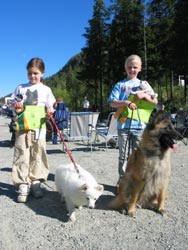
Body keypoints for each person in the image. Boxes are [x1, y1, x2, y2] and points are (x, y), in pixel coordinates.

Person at [108, 54, 158, 185]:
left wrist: (145, 97)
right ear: (125, 68)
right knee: (123, 156)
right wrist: (125, 103)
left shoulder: (144, 84)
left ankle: (137, 182)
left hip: (140, 126)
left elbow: (155, 101)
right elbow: (112, 102)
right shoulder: (120, 85)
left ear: (140, 68)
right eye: (129, 67)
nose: (132, 70)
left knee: (139, 156)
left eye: (135, 67)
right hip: (123, 125)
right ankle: (123, 182)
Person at [11, 57, 56, 203]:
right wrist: (15, 105)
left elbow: (51, 105)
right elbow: (13, 104)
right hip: (22, 128)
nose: (33, 76)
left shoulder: (46, 89)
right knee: (21, 153)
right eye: (30, 73)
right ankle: (23, 184)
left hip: (39, 128)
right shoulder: (20, 88)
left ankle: (36, 182)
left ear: (42, 73)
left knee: (38, 154)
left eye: (36, 73)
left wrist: (50, 111)